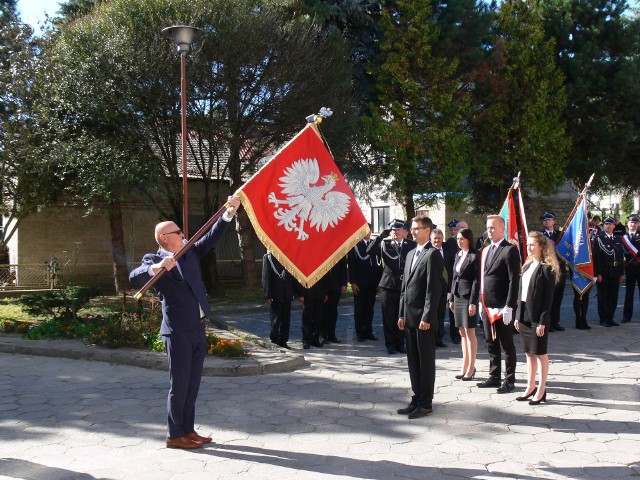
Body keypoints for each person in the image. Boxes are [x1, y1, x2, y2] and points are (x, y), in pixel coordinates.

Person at [129, 195, 241, 450]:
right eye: (177, 231)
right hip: (177, 331)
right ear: (164, 238)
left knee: (192, 384)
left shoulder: (188, 252)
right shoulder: (152, 259)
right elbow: (134, 276)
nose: (182, 233)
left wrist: (228, 213)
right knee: (178, 385)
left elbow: (210, 238)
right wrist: (156, 268)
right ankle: (174, 434)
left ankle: (188, 430)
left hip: (198, 326)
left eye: (180, 230)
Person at [396, 216, 443, 419]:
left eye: (417, 228)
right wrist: (400, 313)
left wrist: (427, 317)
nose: (413, 231)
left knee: (425, 362)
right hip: (409, 317)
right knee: (413, 361)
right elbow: (405, 288)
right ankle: (417, 397)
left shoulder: (433, 255)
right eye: (412, 228)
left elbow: (434, 290)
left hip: (423, 320)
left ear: (428, 230)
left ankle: (426, 403)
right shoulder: (410, 254)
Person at [514, 231, 560, 405]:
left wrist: (543, 321)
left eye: (533, 244)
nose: (529, 247)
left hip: (538, 316)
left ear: (541, 247)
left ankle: (541, 389)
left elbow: (548, 299)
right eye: (528, 244)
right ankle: (530, 386)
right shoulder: (526, 266)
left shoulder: (546, 269)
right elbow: (521, 293)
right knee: (528, 353)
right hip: (525, 314)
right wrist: (518, 315)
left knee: (540, 353)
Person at [476, 215, 520, 394]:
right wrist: (480, 301)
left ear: (502, 228)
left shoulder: (509, 250)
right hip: (487, 305)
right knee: (490, 342)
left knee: (507, 344)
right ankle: (494, 376)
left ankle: (509, 380)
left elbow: (513, 280)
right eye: (488, 227)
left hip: (503, 306)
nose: (489, 231)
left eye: (493, 227)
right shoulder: (485, 250)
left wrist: (510, 305)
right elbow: (482, 278)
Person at [367, 219, 416, 353]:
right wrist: (380, 237)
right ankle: (391, 344)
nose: (395, 232)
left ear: (404, 231)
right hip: (388, 284)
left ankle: (401, 343)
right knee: (388, 316)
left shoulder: (411, 245)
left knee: (402, 315)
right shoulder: (385, 243)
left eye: (398, 229)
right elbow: (369, 251)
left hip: (404, 284)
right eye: (393, 230)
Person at [447, 227, 479, 381]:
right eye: (458, 239)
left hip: (468, 298)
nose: (459, 241)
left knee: (470, 331)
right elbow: (454, 277)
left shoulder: (474, 256)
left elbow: (476, 281)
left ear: (468, 240)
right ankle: (464, 365)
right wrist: (451, 298)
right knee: (461, 332)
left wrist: (473, 302)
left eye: (462, 239)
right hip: (458, 296)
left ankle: (472, 367)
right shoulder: (458, 255)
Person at [348, 229, 383, 344]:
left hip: (372, 282)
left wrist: (379, 282)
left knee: (369, 308)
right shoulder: (355, 245)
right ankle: (360, 333)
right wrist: (353, 282)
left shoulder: (375, 245)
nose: (367, 233)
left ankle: (368, 331)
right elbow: (352, 265)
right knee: (359, 309)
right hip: (360, 283)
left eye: (369, 231)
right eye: (364, 230)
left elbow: (379, 264)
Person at [593, 216, 624, 327]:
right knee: (603, 296)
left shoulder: (618, 239)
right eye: (606, 224)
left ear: (614, 226)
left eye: (610, 224)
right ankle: (604, 318)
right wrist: (597, 273)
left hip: (615, 271)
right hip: (604, 271)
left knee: (613, 296)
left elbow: (620, 257)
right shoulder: (599, 239)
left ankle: (610, 317)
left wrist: (621, 273)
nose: (608, 226)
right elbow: (596, 258)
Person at [262, 251, 294, 349]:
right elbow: (266, 277)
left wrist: (294, 292)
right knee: (276, 319)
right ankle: (275, 339)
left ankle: (283, 340)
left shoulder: (288, 255)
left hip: (287, 293)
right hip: (275, 294)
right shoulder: (268, 257)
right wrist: (267, 295)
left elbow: (292, 276)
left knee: (286, 319)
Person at [540, 211, 566, 332]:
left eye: (549, 219)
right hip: (547, 269)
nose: (546, 221)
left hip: (560, 268)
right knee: (548, 297)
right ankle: (547, 322)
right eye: (545, 220)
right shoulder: (540, 236)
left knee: (558, 297)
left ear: (554, 221)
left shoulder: (561, 235)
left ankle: (555, 321)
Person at [430, 228, 453, 348]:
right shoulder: (427, 251)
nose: (437, 241)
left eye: (439, 238)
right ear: (431, 239)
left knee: (441, 315)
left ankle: (439, 339)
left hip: (444, 289)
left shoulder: (447, 251)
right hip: (432, 290)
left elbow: (450, 270)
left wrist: (449, 290)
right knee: (432, 316)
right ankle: (432, 340)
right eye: (435, 238)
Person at [296, 275, 329, 349]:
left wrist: (326, 293)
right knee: (307, 318)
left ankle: (315, 339)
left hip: (320, 292)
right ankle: (306, 340)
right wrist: (300, 294)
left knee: (318, 318)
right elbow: (300, 276)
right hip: (308, 292)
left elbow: (325, 276)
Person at [321, 257, 348, 344]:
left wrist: (344, 283)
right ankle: (323, 335)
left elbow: (343, 267)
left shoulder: (338, 247)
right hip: (324, 284)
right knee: (323, 311)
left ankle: (331, 334)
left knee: (333, 311)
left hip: (336, 285)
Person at [621, 214, 640, 323]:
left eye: (635, 222)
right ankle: (627, 316)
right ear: (627, 224)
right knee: (629, 292)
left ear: (638, 225)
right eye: (631, 222)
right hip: (630, 267)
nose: (633, 224)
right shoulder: (624, 238)